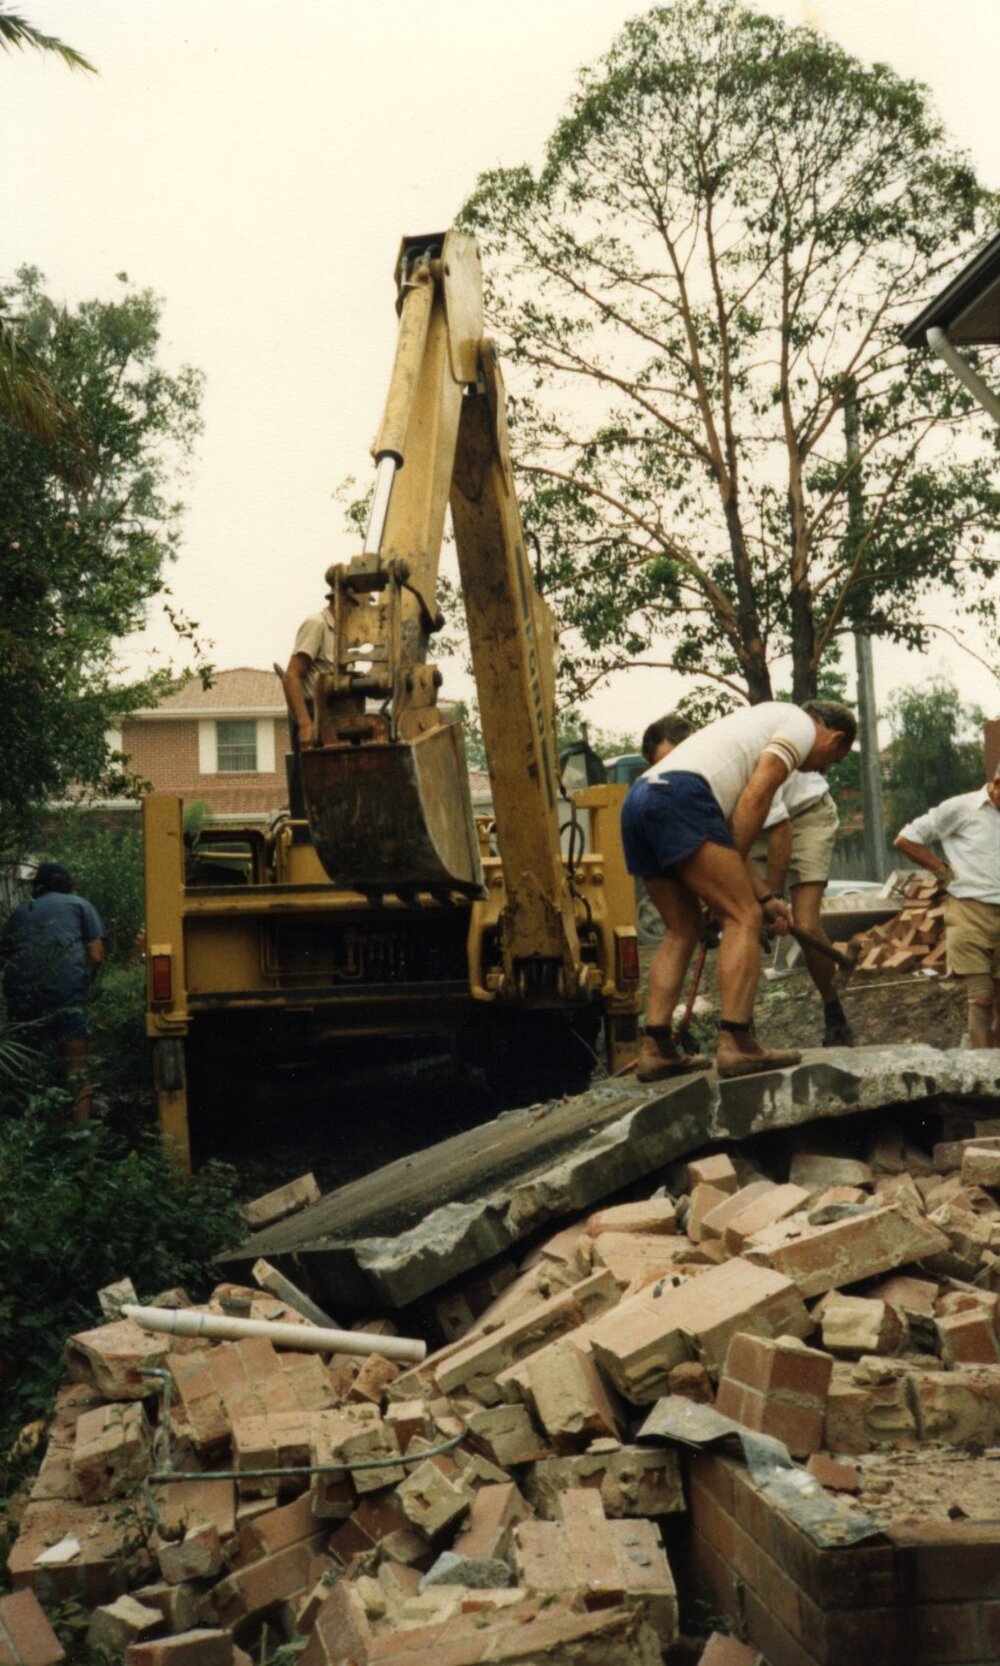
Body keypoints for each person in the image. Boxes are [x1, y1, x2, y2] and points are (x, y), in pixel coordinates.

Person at [621, 699, 857, 1080]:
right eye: (833, 759)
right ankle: (736, 1043)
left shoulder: (741, 738)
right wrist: (739, 899)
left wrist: (765, 896)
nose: (824, 769)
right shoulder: (798, 725)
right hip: (681, 797)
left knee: (682, 930)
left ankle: (656, 1048)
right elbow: (754, 800)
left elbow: (725, 834)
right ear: (834, 736)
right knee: (742, 917)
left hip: (639, 800)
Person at [894, 770, 1000, 1048]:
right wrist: (941, 870)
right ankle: (981, 1071)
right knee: (981, 997)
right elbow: (906, 839)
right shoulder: (961, 808)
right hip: (969, 912)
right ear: (997, 784)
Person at [750, 770, 853, 1046]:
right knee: (745, 924)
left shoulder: (742, 769)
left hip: (806, 814)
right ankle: (740, 1030)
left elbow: (780, 829)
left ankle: (834, 1014)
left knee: (806, 925)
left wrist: (772, 900)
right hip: (753, 825)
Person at [1, 862, 106, 1123]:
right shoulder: (80, 904)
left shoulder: (20, 912)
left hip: (22, 998)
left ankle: (26, 1132)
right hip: (66, 994)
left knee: (23, 1071)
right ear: (68, 883)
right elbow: (96, 953)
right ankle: (81, 1138)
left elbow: (5, 957)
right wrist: (85, 982)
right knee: (77, 1071)